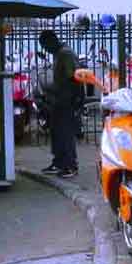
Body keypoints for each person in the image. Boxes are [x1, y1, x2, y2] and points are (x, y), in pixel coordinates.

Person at [39, 30, 81, 179]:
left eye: (45, 45)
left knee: (65, 133)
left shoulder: (65, 54)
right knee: (57, 132)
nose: (45, 49)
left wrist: (76, 100)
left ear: (52, 41)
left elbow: (75, 77)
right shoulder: (58, 54)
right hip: (58, 99)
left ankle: (70, 165)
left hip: (67, 99)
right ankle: (59, 162)